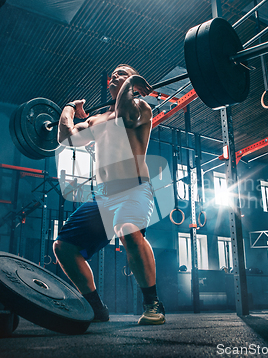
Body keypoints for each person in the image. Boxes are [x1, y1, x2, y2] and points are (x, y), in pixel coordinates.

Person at [52, 64, 165, 325]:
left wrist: (134, 80)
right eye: (113, 75)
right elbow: (66, 138)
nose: (116, 77)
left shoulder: (141, 108)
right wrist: (69, 107)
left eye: (122, 73)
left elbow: (125, 114)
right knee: (63, 247)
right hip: (102, 196)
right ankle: (95, 308)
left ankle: (153, 304)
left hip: (134, 188)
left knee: (127, 229)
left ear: (132, 84)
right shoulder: (96, 121)